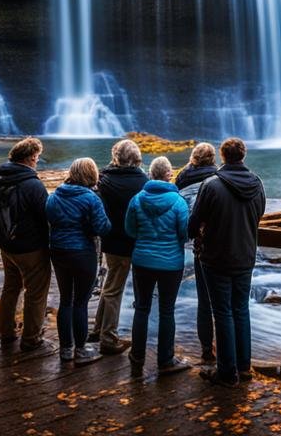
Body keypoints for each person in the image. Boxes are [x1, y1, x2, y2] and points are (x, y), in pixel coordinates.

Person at [188, 137, 266, 386]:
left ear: (222, 156)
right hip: (245, 256)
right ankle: (244, 367)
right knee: (241, 309)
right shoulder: (257, 184)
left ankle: (227, 372)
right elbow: (260, 213)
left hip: (216, 257)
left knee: (222, 312)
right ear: (243, 156)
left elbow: (194, 222)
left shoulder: (211, 185)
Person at [124, 157, 192, 377]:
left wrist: (146, 239)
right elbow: (184, 233)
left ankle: (137, 357)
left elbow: (130, 230)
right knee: (166, 310)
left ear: (151, 175)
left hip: (142, 260)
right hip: (171, 263)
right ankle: (165, 360)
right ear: (168, 175)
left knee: (141, 308)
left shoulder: (136, 199)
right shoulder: (179, 202)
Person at [46, 158, 111, 364]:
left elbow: (49, 217)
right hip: (83, 252)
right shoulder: (91, 199)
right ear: (91, 175)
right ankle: (81, 350)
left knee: (65, 299)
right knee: (81, 302)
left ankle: (66, 349)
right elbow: (103, 228)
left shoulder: (55, 195)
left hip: (57, 250)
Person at [0, 136, 51, 351]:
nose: (37, 162)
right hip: (30, 247)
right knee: (36, 292)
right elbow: (46, 216)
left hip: (6, 245)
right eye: (37, 158)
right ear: (31, 158)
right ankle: (31, 338)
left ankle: (6, 333)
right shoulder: (32, 185)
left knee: (10, 288)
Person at [88, 138, 148, 355]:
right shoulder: (142, 181)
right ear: (136, 159)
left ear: (116, 157)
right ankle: (109, 338)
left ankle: (97, 329)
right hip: (130, 242)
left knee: (110, 284)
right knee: (114, 289)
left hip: (109, 239)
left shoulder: (104, 178)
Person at [175, 142, 218, 362]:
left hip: (199, 248)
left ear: (193, 158)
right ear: (212, 159)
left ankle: (206, 350)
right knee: (227, 304)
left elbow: (185, 223)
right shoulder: (219, 180)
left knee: (204, 301)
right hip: (224, 245)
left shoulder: (180, 181)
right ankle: (233, 352)